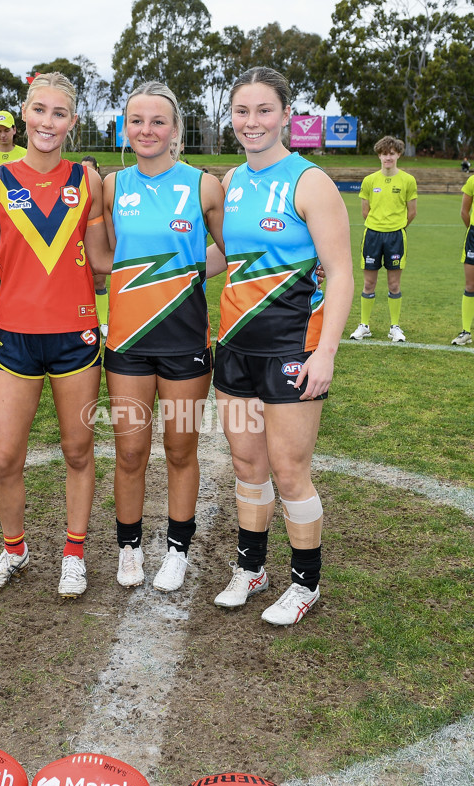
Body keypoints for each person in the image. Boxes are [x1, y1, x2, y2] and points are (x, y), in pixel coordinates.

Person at [207, 66, 354, 626]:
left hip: (295, 348)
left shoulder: (309, 181)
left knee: (290, 469)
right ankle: (251, 569)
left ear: (286, 115)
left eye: (263, 110)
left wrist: (327, 353)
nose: (252, 122)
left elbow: (340, 273)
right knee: (247, 464)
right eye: (242, 111)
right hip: (236, 348)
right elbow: (227, 259)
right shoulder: (231, 181)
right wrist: (163, 273)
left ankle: (305, 583)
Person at [0, 73, 113, 598]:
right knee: (4, 456)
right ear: (24, 114)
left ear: (72, 123)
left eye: (59, 113)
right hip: (14, 338)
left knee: (78, 451)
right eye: (39, 110)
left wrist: (182, 261)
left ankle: (73, 553)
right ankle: (15, 550)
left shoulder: (89, 181)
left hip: (75, 337)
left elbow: (102, 259)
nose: (47, 122)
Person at [102, 81, 225, 593]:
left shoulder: (203, 186)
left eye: (158, 121)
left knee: (180, 449)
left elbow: (235, 254)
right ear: (125, 127)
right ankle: (129, 549)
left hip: (185, 342)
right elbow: (109, 258)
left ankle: (177, 550)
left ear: (175, 129)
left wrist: (187, 276)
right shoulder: (112, 186)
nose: (147, 130)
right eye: (137, 121)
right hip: (127, 344)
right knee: (129, 453)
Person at [350, 136, 417, 343]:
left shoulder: (408, 180)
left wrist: (395, 227)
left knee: (394, 284)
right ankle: (364, 325)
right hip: (372, 235)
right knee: (368, 283)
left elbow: (412, 212)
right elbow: (365, 211)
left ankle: (394, 327)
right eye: (384, 153)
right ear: (379, 155)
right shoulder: (370, 180)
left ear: (398, 155)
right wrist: (379, 225)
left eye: (392, 153)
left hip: (396, 236)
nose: (388, 157)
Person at [81, 155, 109, 338]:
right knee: (80, 282)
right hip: (79, 240)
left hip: (98, 237)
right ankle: (84, 320)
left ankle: (104, 322)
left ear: (97, 170)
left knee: (99, 281)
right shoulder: (75, 189)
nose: (86, 173)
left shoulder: (105, 189)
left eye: (89, 169)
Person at [451, 173, 474, 345]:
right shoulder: (472, 180)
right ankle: (466, 331)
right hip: (473, 235)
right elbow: (464, 212)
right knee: (470, 285)